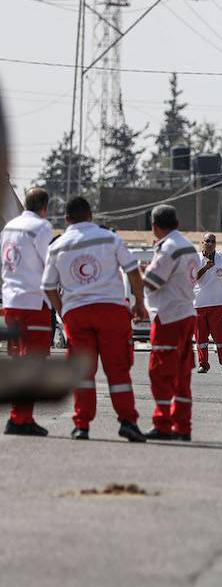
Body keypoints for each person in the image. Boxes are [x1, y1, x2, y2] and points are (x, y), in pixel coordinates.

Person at [41, 196, 149, 442]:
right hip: (111, 310)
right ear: (90, 215)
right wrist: (139, 303)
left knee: (82, 373)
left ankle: (82, 425)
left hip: (77, 314)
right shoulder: (109, 238)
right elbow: (132, 270)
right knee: (118, 370)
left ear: (67, 219)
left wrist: (62, 311)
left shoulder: (57, 246)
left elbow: (48, 285)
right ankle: (128, 422)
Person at [140, 205, 201, 441]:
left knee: (160, 373)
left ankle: (163, 423)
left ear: (154, 227)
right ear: (177, 223)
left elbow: (153, 282)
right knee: (182, 375)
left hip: (168, 317)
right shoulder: (188, 246)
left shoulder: (168, 248)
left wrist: (137, 274)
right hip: (186, 313)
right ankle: (182, 426)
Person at [2, 187, 54, 436]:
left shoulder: (9, 228)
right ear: (44, 207)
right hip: (34, 302)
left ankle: (17, 415)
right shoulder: (42, 227)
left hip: (11, 302)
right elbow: (50, 265)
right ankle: (22, 418)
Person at [193, 232, 222, 373]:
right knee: (201, 337)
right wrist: (205, 268)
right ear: (202, 243)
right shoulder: (195, 259)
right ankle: (203, 364)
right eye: (207, 241)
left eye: (213, 241)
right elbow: (192, 278)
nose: (210, 243)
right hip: (199, 304)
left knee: (220, 336)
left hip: (217, 303)